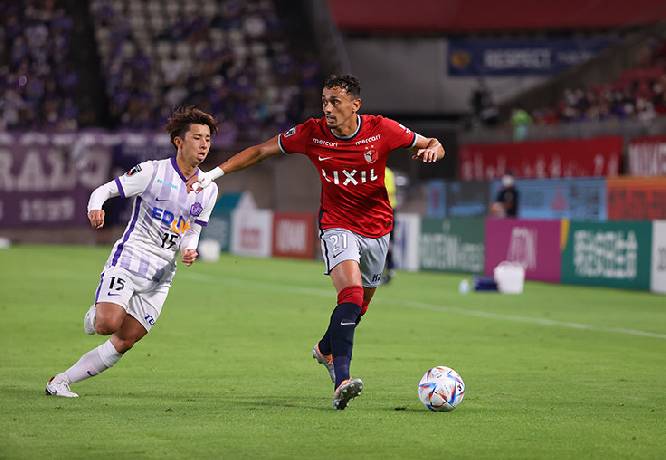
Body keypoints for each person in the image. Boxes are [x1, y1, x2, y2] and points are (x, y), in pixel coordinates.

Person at [189, 75, 445, 409]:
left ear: (355, 104)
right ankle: (342, 380)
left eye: (335, 101)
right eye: (324, 101)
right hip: (337, 225)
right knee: (350, 294)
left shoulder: (382, 129)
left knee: (358, 307)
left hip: (378, 229)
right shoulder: (311, 133)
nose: (327, 108)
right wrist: (210, 175)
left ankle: (326, 349)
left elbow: (432, 143)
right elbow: (260, 151)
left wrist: (434, 150)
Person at [45, 107, 219, 398]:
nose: (204, 145)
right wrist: (95, 208)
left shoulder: (208, 189)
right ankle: (97, 313)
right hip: (130, 260)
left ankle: (60, 381)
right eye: (198, 138)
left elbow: (192, 231)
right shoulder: (152, 172)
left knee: (126, 340)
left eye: (208, 139)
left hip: (161, 277)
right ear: (179, 141)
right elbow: (103, 191)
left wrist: (190, 250)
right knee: (107, 324)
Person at [382, 166, 397, 284]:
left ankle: (389, 268)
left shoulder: (385, 172)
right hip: (383, 211)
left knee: (386, 242)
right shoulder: (386, 171)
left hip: (386, 211)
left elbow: (388, 191)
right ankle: (388, 269)